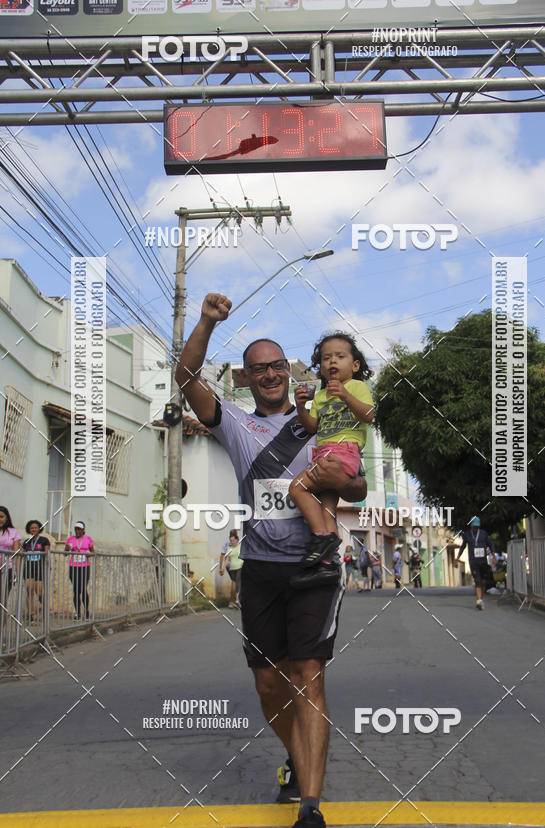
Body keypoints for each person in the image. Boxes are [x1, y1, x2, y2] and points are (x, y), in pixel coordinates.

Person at [176, 292, 368, 828]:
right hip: (259, 568)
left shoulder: (323, 420)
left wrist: (343, 481)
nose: (269, 375)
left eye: (277, 366)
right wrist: (207, 322)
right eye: (258, 369)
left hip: (316, 566)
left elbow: (359, 484)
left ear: (289, 370)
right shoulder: (234, 425)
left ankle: (310, 804)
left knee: (308, 674)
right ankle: (297, 755)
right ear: (244, 377)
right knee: (268, 681)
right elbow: (186, 377)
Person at [290, 333, 374, 586]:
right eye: (326, 358)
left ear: (355, 365)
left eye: (340, 356)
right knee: (327, 507)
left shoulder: (358, 387)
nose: (332, 362)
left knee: (297, 488)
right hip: (324, 452)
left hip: (344, 452)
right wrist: (300, 408)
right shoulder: (322, 395)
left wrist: (346, 396)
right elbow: (312, 427)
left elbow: (368, 415)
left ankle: (320, 537)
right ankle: (328, 563)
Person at [458, 516, 496, 610]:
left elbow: (490, 545)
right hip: (473, 561)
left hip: (483, 561)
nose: (475, 528)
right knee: (478, 581)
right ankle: (479, 600)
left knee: (483, 581)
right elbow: (463, 546)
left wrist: (494, 556)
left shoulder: (484, 534)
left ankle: (480, 599)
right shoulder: (467, 535)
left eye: (477, 526)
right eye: (474, 526)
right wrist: (457, 557)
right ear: (471, 525)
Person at [64, 521, 94, 620]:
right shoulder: (70, 539)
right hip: (74, 566)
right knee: (76, 590)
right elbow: (65, 553)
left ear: (83, 530)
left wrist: (89, 553)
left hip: (84, 567)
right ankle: (78, 613)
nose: (77, 531)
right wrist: (67, 548)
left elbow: (93, 552)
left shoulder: (88, 539)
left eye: (79, 529)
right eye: (76, 529)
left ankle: (86, 611)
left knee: (83, 589)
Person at [22, 519, 50, 618]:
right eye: (32, 528)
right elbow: (24, 555)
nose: (34, 529)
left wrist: (47, 565)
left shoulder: (44, 540)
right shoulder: (26, 541)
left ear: (39, 529)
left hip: (40, 567)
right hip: (29, 567)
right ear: (29, 530)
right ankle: (31, 614)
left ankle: (44, 605)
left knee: (39, 591)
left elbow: (47, 554)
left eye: (35, 528)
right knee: (29, 590)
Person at [0, 506, 21, 606]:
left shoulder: (13, 532)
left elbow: (16, 553)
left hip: (7, 567)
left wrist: (17, 572)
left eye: (1, 516)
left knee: (3, 599)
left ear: (7, 517)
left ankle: (2, 621)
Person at [219, 529, 242, 607]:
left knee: (234, 582)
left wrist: (221, 568)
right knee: (236, 582)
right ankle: (236, 600)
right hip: (232, 565)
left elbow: (222, 556)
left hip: (232, 565)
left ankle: (232, 601)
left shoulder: (226, 544)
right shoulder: (238, 543)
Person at [224, 531, 243, 609]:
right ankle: (234, 601)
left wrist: (244, 562)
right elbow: (227, 559)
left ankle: (237, 601)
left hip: (240, 567)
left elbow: (244, 556)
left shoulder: (240, 547)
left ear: (237, 540)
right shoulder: (229, 548)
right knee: (234, 585)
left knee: (238, 583)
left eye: (233, 540)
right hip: (232, 569)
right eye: (231, 541)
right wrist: (222, 568)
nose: (232, 542)